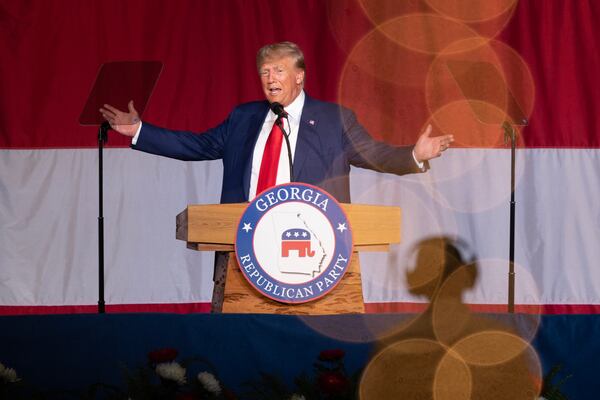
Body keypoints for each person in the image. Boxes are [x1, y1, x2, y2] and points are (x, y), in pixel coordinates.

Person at [100, 41, 453, 204]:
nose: (270, 78)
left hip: (315, 243)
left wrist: (413, 155)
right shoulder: (244, 118)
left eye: (279, 70)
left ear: (299, 77)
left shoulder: (334, 120)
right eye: (265, 72)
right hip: (246, 239)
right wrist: (141, 131)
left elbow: (373, 154)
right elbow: (198, 145)